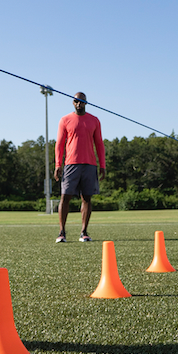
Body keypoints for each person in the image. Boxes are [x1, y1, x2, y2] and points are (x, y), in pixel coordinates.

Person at [54, 92, 105, 243]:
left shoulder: (94, 120)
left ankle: (84, 232)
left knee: (87, 198)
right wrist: (58, 164)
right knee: (65, 197)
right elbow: (59, 144)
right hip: (71, 164)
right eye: (76, 101)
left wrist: (102, 165)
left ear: (86, 103)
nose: (79, 104)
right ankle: (62, 232)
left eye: (82, 101)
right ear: (73, 102)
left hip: (89, 164)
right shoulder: (65, 120)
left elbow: (99, 144)